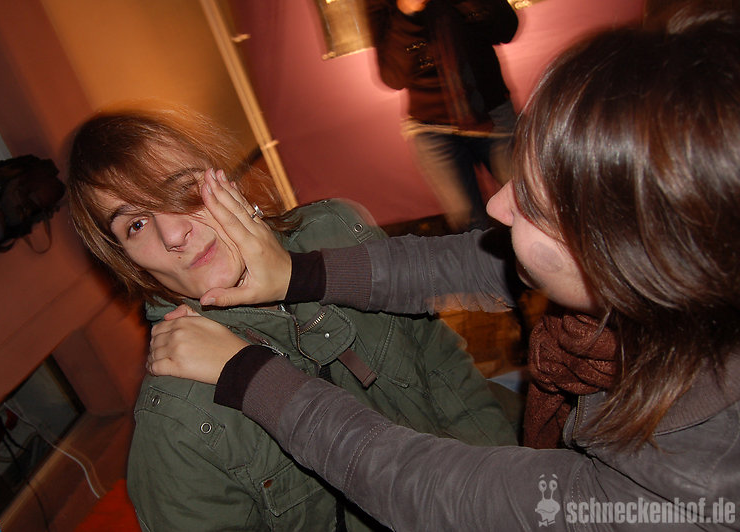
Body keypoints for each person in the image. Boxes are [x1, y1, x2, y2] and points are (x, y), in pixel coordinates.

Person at [147, 7, 740, 531]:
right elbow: (468, 263)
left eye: (535, 205)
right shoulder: (692, 283)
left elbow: (439, 493)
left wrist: (252, 377)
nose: (497, 205)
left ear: (637, 257)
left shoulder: (686, 485)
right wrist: (295, 274)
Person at [66, 107, 520, 531]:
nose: (173, 233)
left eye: (180, 187)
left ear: (222, 174)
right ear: (125, 259)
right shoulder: (178, 427)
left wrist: (503, 490)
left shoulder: (337, 231)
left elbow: (445, 373)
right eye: (135, 225)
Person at [366, 0, 519, 230]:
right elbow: (393, 77)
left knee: (529, 205)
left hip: (493, 113)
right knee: (468, 225)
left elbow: (506, 29)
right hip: (431, 129)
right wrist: (407, 15)